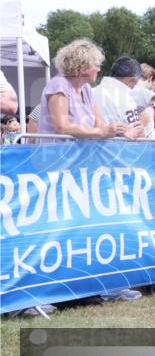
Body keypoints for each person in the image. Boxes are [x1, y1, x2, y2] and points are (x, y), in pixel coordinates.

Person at [36, 39, 142, 301]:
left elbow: (100, 125)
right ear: (83, 66)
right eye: (96, 65)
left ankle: (102, 285)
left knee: (92, 227)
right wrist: (102, 131)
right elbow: (62, 126)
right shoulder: (58, 86)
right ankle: (59, 291)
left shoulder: (87, 90)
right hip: (57, 168)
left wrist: (122, 131)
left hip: (84, 169)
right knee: (61, 231)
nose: (99, 69)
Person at [92, 56, 148, 139]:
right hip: (116, 149)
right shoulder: (127, 100)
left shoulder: (91, 92)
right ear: (132, 80)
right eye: (135, 84)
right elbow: (137, 136)